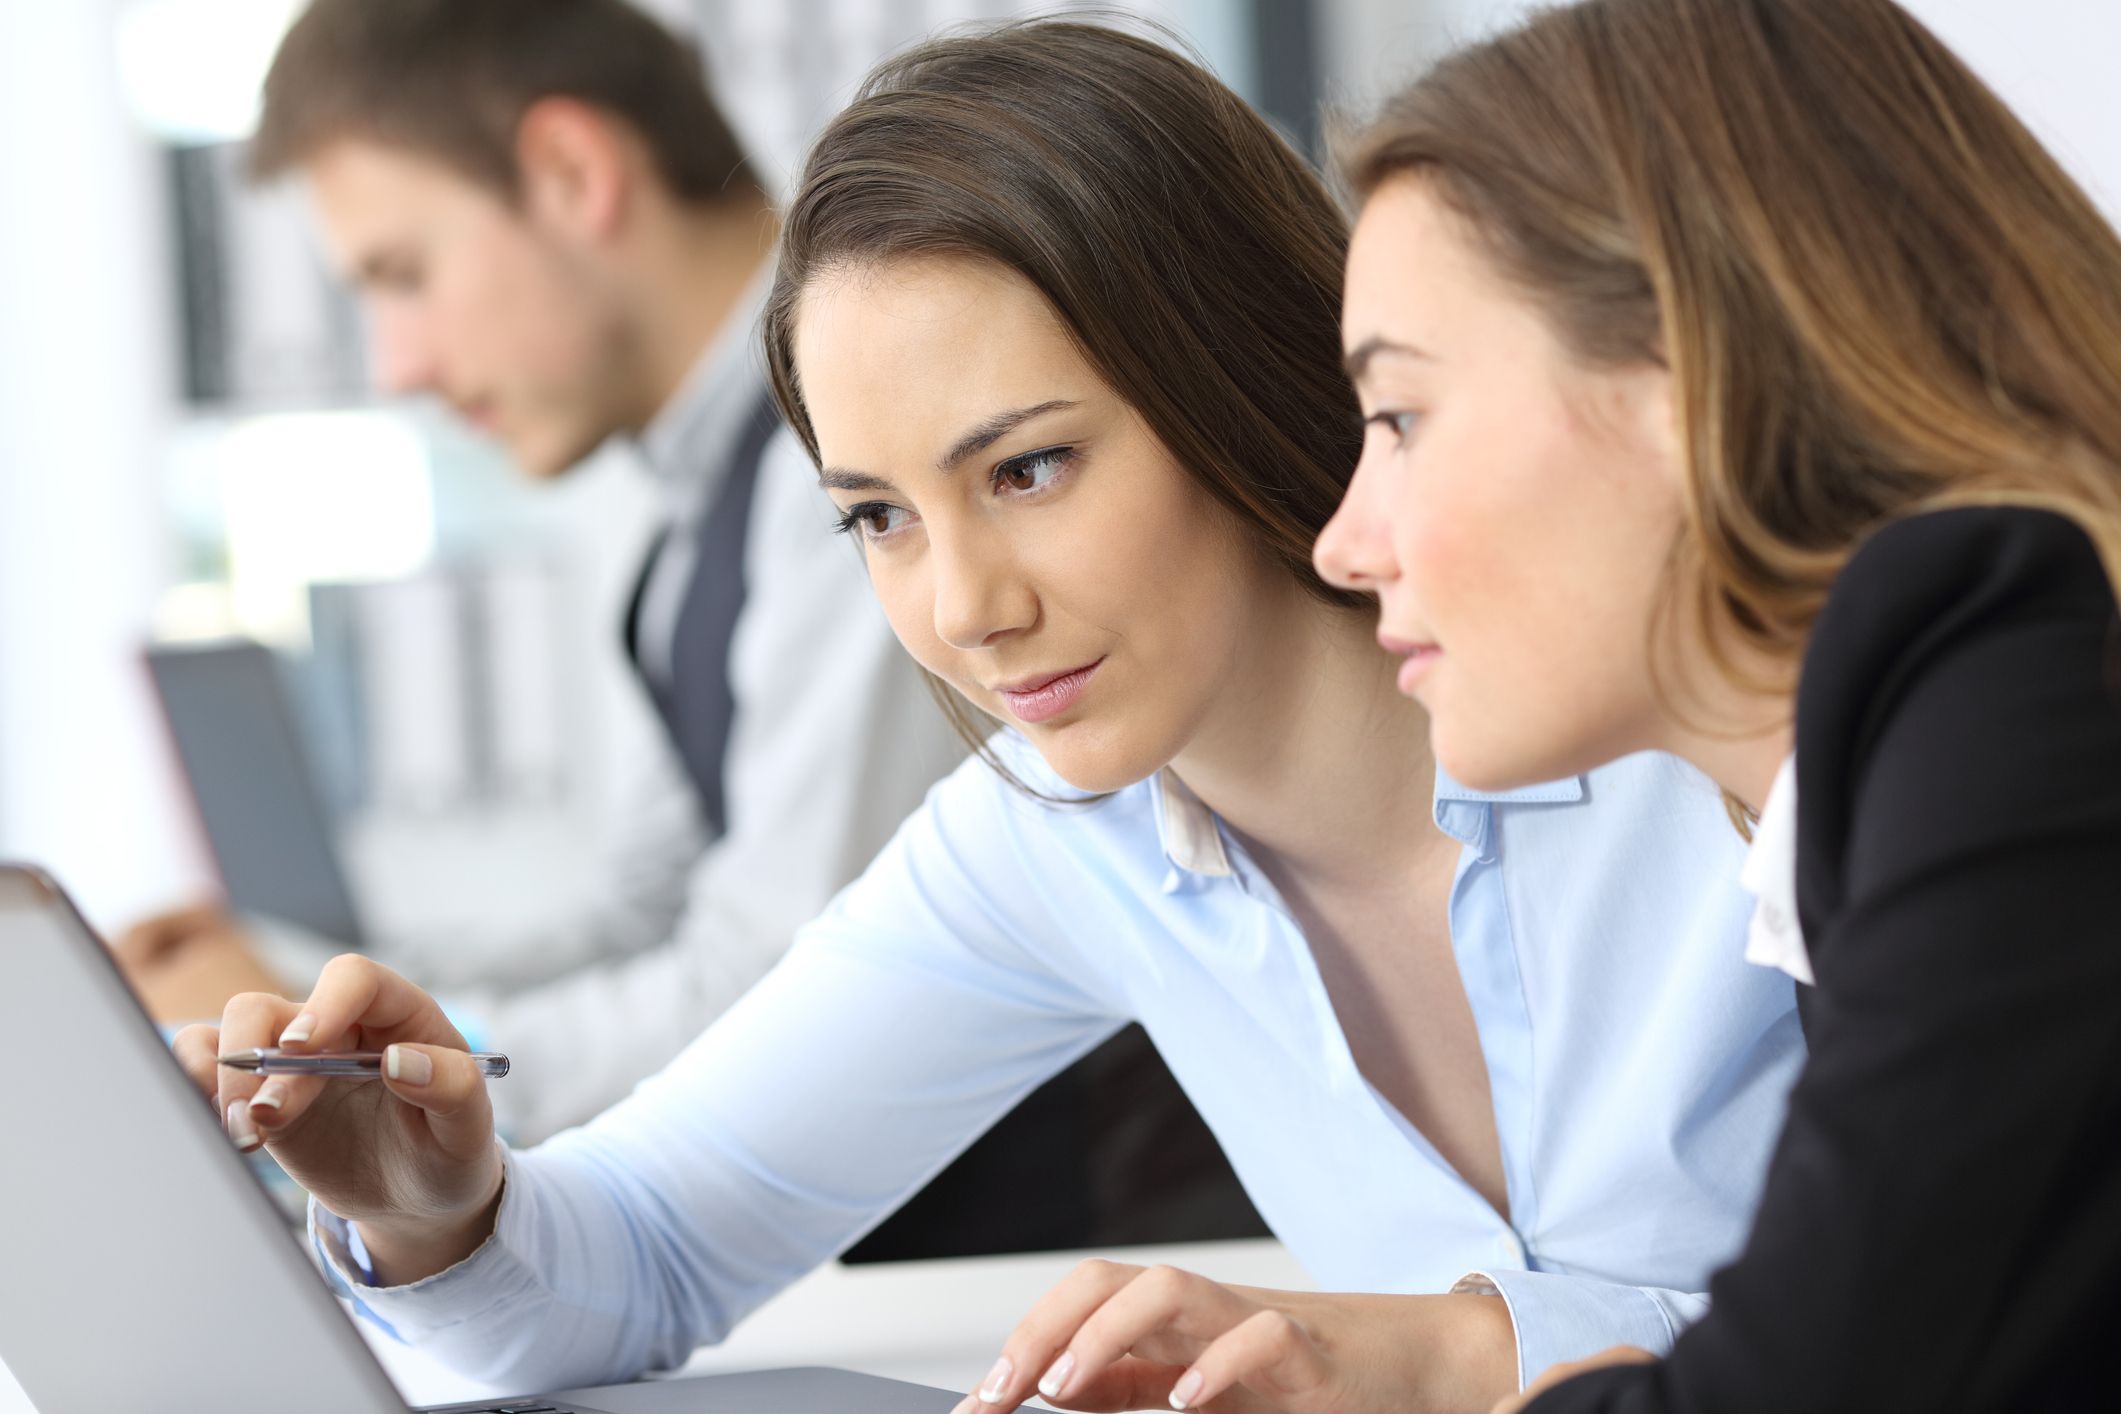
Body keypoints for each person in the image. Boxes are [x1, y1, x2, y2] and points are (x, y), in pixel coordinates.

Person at [171, 21, 1804, 1412]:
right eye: (876, 515)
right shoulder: (1062, 836)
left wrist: (1442, 1352)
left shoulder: (1706, 723)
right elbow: (648, 1247)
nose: (962, 608)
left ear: (1231, 381)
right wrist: (439, 1215)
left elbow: (1994, 1300)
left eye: (1027, 468)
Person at [981, 1, 2121, 1410]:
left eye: (1397, 417)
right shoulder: (1900, 765)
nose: (1344, 538)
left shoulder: (2004, 678)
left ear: (1691, 379)